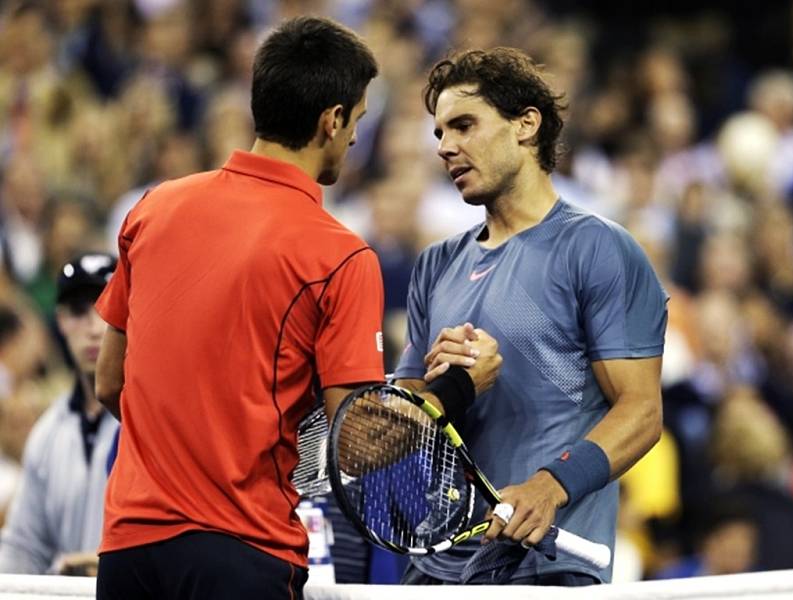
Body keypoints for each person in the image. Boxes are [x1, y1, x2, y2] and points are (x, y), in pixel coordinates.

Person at [93, 17, 501, 600]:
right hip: (240, 552)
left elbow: (111, 382)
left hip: (128, 550)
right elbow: (354, 445)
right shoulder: (339, 255)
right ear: (330, 121)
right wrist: (458, 388)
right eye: (357, 120)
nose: (356, 137)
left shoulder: (153, 208)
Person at [393, 48, 668, 586]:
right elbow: (394, 432)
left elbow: (641, 412)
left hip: (547, 562)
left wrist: (551, 485)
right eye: (440, 134)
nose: (447, 147)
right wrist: (449, 389)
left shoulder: (598, 249)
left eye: (465, 125)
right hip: (436, 567)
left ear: (526, 124)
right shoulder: (434, 265)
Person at [0, 252, 118, 575]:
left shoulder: (156, 418)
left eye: (106, 308)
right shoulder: (48, 432)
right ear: (61, 322)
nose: (94, 328)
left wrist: (116, 566)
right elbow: (23, 548)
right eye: (79, 312)